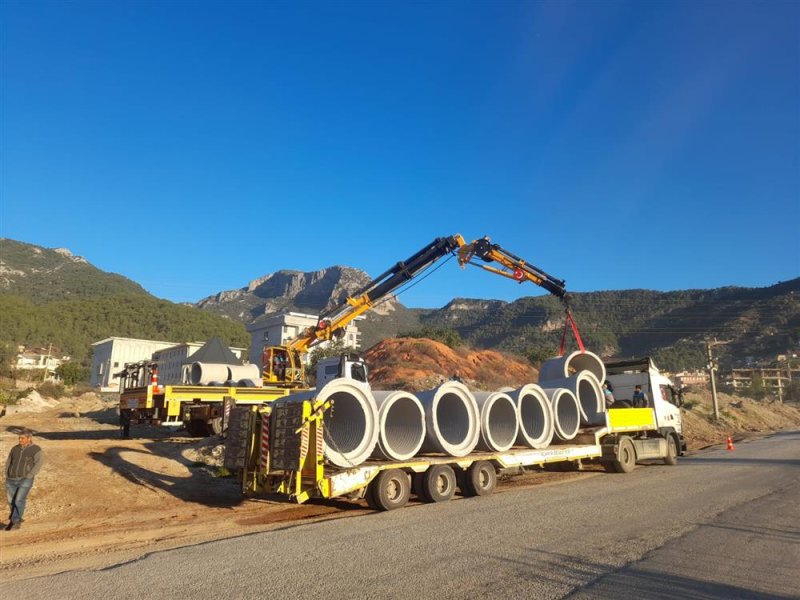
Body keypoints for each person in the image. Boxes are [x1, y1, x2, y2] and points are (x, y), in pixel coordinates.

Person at [5, 429, 44, 531]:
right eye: (19, 438)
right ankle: (16, 519)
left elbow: (39, 463)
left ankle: (15, 521)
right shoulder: (15, 448)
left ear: (29, 439)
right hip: (11, 478)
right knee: (11, 501)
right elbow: (9, 461)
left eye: (22, 438)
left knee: (19, 500)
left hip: (25, 479)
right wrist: (7, 473)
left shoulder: (36, 449)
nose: (20, 440)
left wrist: (30, 475)